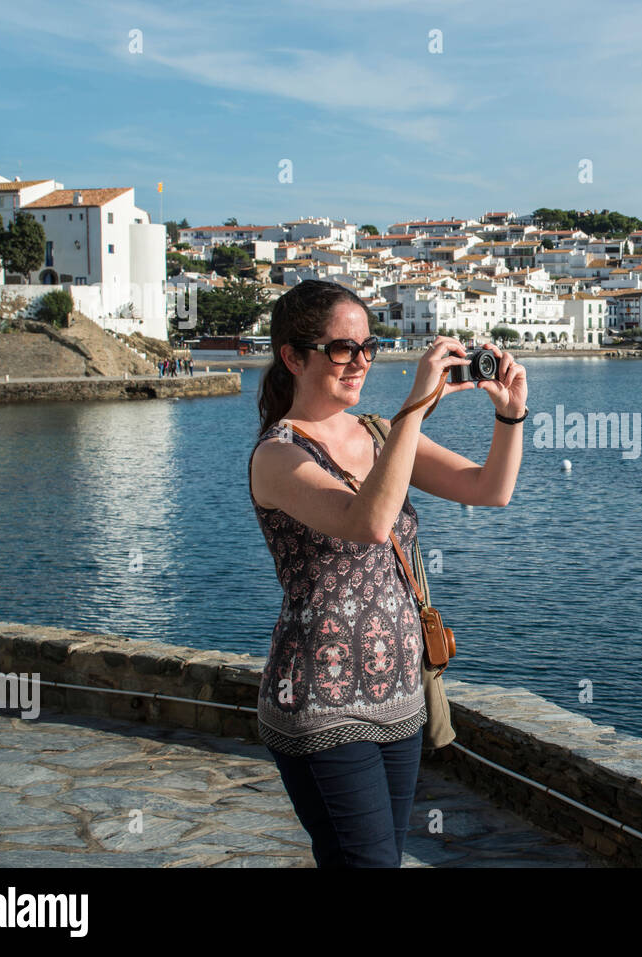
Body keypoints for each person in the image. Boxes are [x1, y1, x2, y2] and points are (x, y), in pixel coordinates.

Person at [247, 279, 527, 867]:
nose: (361, 362)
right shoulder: (278, 456)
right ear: (293, 357)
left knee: (379, 860)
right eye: (343, 348)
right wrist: (416, 409)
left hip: (399, 694)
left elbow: (489, 490)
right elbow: (367, 521)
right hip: (320, 699)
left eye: (368, 346)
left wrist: (511, 416)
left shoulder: (377, 434)